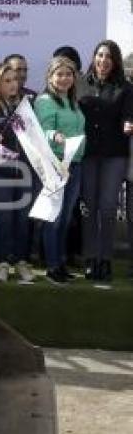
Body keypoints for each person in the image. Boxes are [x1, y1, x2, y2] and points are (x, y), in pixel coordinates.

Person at [78, 40, 133, 281]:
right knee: (89, 207)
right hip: (87, 155)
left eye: (109, 57)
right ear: (94, 57)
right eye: (100, 55)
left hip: (114, 155)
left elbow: (128, 116)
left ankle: (105, 260)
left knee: (109, 208)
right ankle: (90, 258)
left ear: (116, 61)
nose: (103, 60)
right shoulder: (80, 84)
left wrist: (128, 124)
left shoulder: (125, 87)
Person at [34, 56, 85, 284]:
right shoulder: (44, 101)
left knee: (65, 219)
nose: (65, 79)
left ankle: (60, 263)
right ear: (50, 77)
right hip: (55, 164)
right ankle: (52, 267)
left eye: (69, 74)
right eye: (60, 74)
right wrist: (54, 135)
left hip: (75, 163)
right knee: (54, 219)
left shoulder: (73, 102)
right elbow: (42, 130)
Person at [0, 63, 34, 283]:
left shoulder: (27, 105)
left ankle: (21, 262)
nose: (14, 84)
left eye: (15, 80)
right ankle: (2, 262)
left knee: (23, 218)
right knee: (2, 218)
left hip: (24, 171)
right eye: (8, 80)